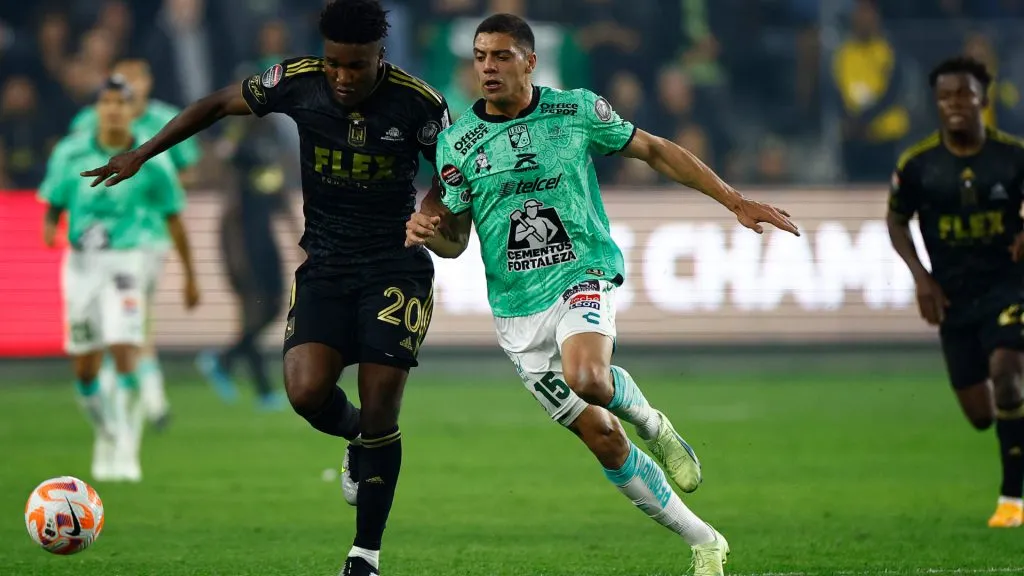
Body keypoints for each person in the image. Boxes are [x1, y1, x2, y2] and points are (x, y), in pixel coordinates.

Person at [403, 13, 799, 576]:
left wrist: (733, 200)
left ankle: (655, 424)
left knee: (588, 376)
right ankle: (705, 540)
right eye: (480, 56)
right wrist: (430, 231)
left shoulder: (576, 110)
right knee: (605, 441)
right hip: (517, 313)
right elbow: (456, 241)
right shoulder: (457, 143)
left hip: (580, 275)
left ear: (530, 61)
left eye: (501, 56)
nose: (487, 67)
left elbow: (657, 151)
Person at [80, 1, 451, 573]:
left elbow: (452, 176)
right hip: (325, 266)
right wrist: (142, 154)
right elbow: (215, 104)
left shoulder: (421, 104)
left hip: (393, 266)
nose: (342, 78)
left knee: (382, 404)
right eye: (334, 64)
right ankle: (362, 442)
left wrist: (430, 210)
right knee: (305, 395)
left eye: (356, 66)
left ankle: (364, 554)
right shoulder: (296, 82)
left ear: (381, 57)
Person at [40, 75, 199, 482]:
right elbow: (54, 203)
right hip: (81, 266)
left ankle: (127, 445)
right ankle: (107, 431)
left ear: (131, 110)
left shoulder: (151, 159)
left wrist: (189, 275)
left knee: (126, 348)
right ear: (97, 109)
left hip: (127, 263)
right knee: (86, 370)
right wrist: (49, 226)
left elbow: (174, 219)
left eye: (119, 102)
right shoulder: (70, 152)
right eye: (105, 101)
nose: (112, 108)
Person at [887, 56, 1024, 529]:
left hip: (1009, 286)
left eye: (965, 94)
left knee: (1008, 374)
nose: (956, 104)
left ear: (983, 99)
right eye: (946, 97)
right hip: (953, 298)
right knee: (982, 415)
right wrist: (921, 277)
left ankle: (1012, 500)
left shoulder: (1012, 156)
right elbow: (897, 219)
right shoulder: (919, 164)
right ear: (936, 104)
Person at [71, 58, 203, 432]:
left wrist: (159, 184)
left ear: (147, 82)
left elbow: (190, 168)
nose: (128, 87)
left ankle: (148, 400)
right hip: (97, 242)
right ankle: (143, 397)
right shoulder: (87, 123)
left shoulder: (166, 119)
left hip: (146, 237)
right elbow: (70, 165)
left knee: (131, 319)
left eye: (134, 80)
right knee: (123, 322)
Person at [195, 112, 301, 410]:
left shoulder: (269, 144)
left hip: (265, 240)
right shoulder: (238, 149)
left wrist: (298, 241)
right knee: (253, 311)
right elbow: (230, 208)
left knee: (275, 306)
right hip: (244, 243)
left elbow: (278, 197)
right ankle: (263, 390)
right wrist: (235, 255)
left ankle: (225, 359)